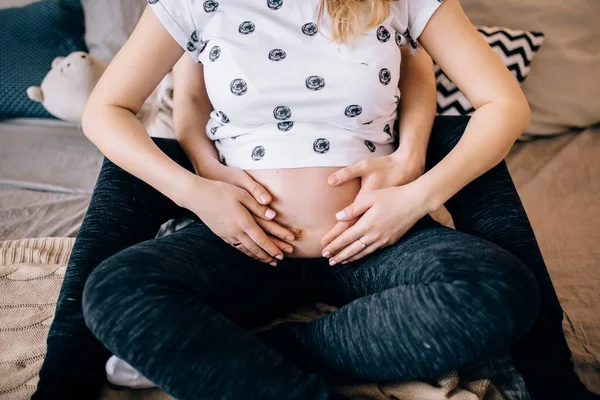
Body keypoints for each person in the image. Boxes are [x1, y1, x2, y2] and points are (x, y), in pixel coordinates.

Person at [32, 0, 597, 399]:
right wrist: (199, 189)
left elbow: (503, 104)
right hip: (241, 241)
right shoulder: (196, 4)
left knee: (499, 288)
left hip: (372, 238)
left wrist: (415, 187)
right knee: (113, 291)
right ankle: (66, 378)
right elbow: (107, 110)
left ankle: (242, 353)